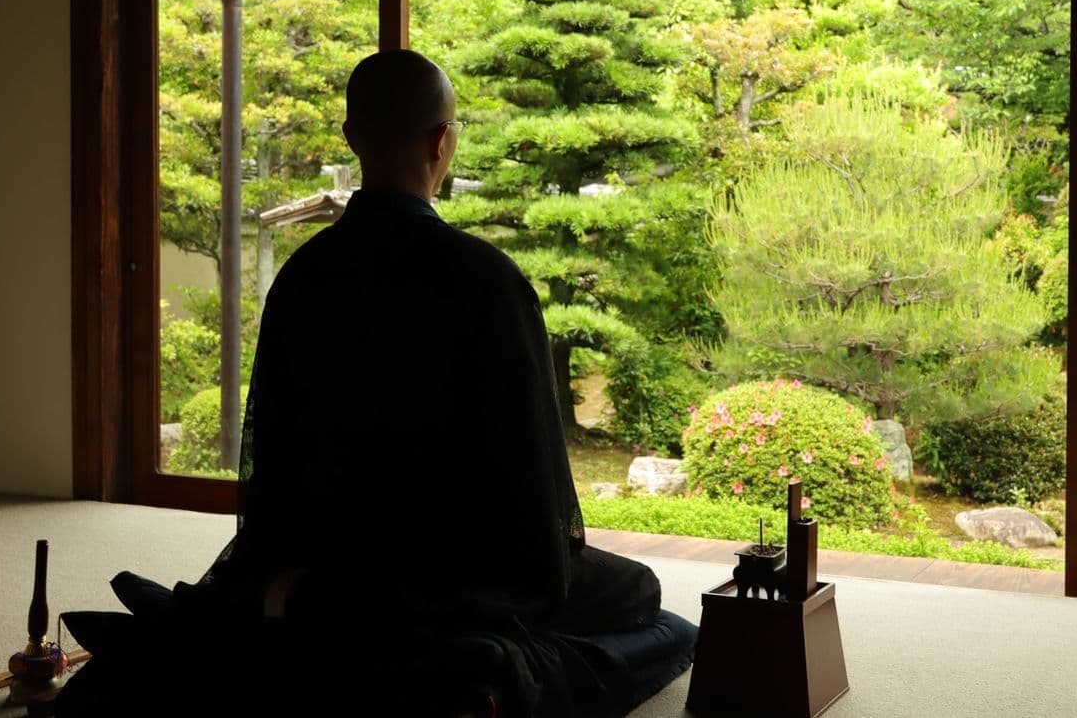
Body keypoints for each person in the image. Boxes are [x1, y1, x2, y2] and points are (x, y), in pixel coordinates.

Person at [55, 50, 696, 717]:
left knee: (303, 590)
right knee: (652, 606)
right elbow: (536, 493)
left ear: (352, 138)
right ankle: (472, 659)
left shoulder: (303, 277)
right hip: (455, 570)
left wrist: (270, 568)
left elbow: (268, 460)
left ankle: (254, 617)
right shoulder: (488, 281)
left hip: (327, 560)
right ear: (441, 142)